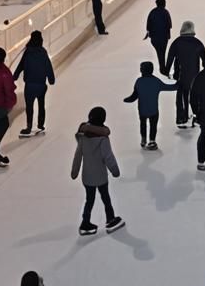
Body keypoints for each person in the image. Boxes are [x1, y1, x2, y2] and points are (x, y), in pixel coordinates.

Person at [71, 106, 123, 235]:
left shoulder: (83, 138)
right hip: (100, 177)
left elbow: (78, 156)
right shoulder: (103, 139)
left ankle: (85, 223)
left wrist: (75, 171)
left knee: (90, 199)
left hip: (87, 177)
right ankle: (110, 219)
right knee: (105, 198)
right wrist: (115, 170)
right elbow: (108, 157)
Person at [123, 61, 177, 150]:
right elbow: (169, 87)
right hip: (153, 110)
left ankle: (143, 139)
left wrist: (127, 100)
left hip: (142, 109)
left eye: (141, 68)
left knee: (143, 124)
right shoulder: (156, 81)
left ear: (143, 70)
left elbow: (134, 96)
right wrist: (179, 84)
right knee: (153, 125)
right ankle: (152, 140)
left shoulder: (139, 81)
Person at [165, 21, 205, 128]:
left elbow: (170, 59)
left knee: (181, 97)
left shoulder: (177, 43)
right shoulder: (198, 43)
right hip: (194, 76)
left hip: (181, 75)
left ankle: (181, 118)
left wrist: (167, 71)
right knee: (195, 97)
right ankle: (196, 117)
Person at [13, 31, 54, 138]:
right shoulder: (43, 52)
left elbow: (21, 65)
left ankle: (29, 127)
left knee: (29, 107)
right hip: (41, 84)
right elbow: (48, 66)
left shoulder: (28, 52)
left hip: (30, 85)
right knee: (41, 105)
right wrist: (51, 79)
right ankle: (41, 124)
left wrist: (15, 76)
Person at [144, 0, 172, 73]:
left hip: (154, 38)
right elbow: (169, 25)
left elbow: (148, 26)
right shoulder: (165, 12)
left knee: (160, 52)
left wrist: (148, 34)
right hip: (163, 37)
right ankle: (163, 68)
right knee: (162, 52)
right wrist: (168, 35)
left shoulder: (152, 12)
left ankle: (162, 68)